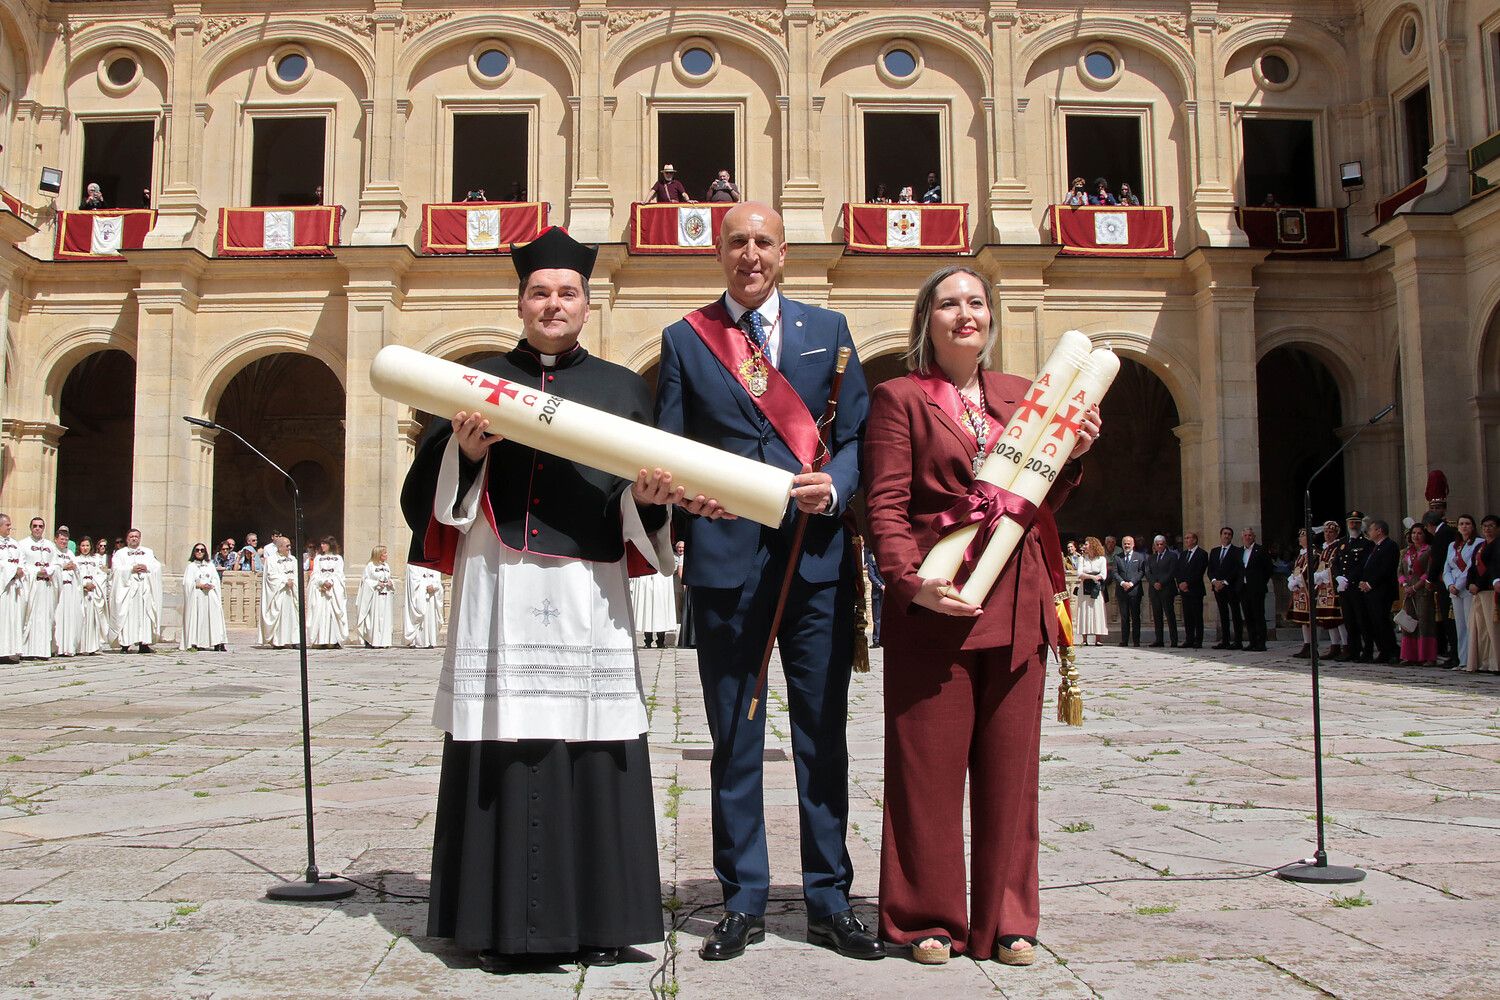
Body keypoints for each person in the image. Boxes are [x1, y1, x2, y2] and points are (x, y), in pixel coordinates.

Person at [401, 225, 673, 970]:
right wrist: (466, 451)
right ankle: (504, 924)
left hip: (589, 588)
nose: (553, 304)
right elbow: (428, 499)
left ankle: (603, 919)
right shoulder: (474, 380)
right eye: (539, 292)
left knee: (595, 734)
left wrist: (650, 502)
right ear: (521, 302)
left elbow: (640, 502)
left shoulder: (624, 390)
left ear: (588, 303)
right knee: (508, 732)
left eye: (567, 293)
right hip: (504, 580)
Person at [654, 201, 876, 962]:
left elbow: (854, 439)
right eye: (736, 243)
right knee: (734, 738)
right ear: (720, 254)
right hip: (725, 564)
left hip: (814, 561)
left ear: (784, 253)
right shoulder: (686, 340)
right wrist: (683, 495)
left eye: (763, 243)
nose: (750, 255)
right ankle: (742, 899)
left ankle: (828, 898)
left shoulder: (829, 331)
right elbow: (674, 443)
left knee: (822, 736)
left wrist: (836, 488)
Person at [864, 264, 1098, 966]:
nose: (965, 314)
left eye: (976, 302)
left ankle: (1008, 921)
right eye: (948, 303)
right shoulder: (899, 398)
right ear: (925, 320)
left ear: (991, 317)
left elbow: (1041, 501)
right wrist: (907, 583)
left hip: (1018, 599)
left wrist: (1075, 452)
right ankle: (925, 918)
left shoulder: (1024, 396)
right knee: (925, 773)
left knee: (1010, 774)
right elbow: (884, 503)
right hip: (937, 602)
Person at [1289, 527, 1339, 658]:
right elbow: (1296, 568)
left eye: (1303, 536)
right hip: (1301, 589)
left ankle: (1318, 645)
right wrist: (1292, 580)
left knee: (1320, 618)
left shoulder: (1314, 553)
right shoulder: (1302, 553)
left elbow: (1308, 570)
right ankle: (1307, 645)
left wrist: (1298, 581)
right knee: (1304, 620)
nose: (1300, 538)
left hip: (1311, 589)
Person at [111, 529, 161, 653]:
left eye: (136, 536)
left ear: (140, 538)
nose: (134, 539)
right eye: (132, 536)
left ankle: (144, 644)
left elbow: (156, 566)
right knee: (128, 616)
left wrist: (147, 567)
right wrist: (130, 569)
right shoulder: (120, 553)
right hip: (128, 590)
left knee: (144, 615)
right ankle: (125, 644)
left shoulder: (148, 552)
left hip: (144, 589)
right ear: (127, 539)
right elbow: (116, 569)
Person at [1331, 511, 1372, 661]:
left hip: (1356, 587)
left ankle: (1367, 651)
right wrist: (1338, 577)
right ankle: (1352, 650)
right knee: (1349, 620)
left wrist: (1349, 579)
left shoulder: (1366, 543)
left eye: (1356, 522)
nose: (1354, 525)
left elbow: (1363, 565)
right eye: (1351, 522)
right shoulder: (1342, 543)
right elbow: (1336, 562)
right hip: (1344, 588)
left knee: (1362, 620)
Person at [1359, 519, 1400, 664]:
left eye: (1371, 530)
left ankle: (1393, 651)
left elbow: (1386, 569)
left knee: (1383, 621)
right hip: (1371, 591)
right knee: (1374, 622)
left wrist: (1370, 583)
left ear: (1379, 531)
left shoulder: (1390, 546)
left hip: (1382, 590)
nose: (1368, 533)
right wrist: (1363, 582)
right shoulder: (1375, 547)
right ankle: (1383, 650)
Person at [1443, 515, 1481, 670]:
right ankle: (1463, 660)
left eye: (1467, 524)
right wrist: (1450, 584)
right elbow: (1447, 568)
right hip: (1454, 589)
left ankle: (1472, 661)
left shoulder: (1478, 543)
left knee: (1470, 623)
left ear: (1472, 526)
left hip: (1467, 588)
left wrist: (1458, 585)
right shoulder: (1453, 545)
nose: (1464, 526)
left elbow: (1471, 567)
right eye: (1461, 524)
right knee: (1460, 626)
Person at [1397, 524, 1437, 667]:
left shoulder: (1429, 551)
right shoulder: (1406, 552)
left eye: (1419, 533)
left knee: (1424, 622)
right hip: (1408, 592)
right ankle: (1410, 655)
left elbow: (1428, 572)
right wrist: (1405, 585)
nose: (1416, 536)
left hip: (1422, 591)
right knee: (1408, 622)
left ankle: (1428, 656)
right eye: (1413, 533)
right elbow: (1400, 571)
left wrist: (1415, 587)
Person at [1465, 514, 1499, 673]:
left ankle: (1495, 662)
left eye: (1491, 526)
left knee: (1493, 629)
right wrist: (1470, 583)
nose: (1488, 529)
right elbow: (1473, 567)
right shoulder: (1480, 547)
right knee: (1481, 630)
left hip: (1490, 591)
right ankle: (1484, 662)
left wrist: (1478, 584)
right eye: (1485, 526)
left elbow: (1493, 567)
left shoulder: (1497, 545)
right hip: (1479, 592)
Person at [21, 516, 60, 659]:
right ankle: (28, 651)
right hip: (32, 585)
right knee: (31, 616)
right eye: (35, 526)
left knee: (46, 617)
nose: (37, 528)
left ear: (44, 528)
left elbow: (56, 564)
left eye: (40, 526)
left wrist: (48, 571)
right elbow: (22, 565)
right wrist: (35, 571)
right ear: (30, 527)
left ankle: (43, 651)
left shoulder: (50, 545)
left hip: (46, 586)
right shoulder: (23, 544)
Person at [182, 543, 228, 652]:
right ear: (194, 552)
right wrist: (199, 585)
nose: (199, 552)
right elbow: (187, 583)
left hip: (210, 594)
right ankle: (197, 642)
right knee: (199, 619)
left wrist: (211, 585)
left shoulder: (210, 565)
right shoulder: (191, 566)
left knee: (214, 618)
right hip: (197, 595)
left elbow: (215, 579)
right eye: (197, 550)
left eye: (202, 550)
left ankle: (217, 642)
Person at [631, 543, 677, 648]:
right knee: (647, 610)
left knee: (661, 611)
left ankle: (660, 640)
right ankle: (648, 640)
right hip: (647, 578)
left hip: (661, 579)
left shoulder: (663, 551)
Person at [305, 537, 347, 648]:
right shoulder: (318, 558)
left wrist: (331, 582)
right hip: (321, 590)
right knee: (320, 612)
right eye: (322, 543)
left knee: (331, 614)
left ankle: (332, 640)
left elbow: (339, 573)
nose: (322, 546)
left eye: (325, 544)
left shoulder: (338, 558)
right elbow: (316, 573)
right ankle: (320, 640)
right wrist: (322, 582)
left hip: (333, 590)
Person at [1208, 526, 1243, 649]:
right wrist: (1214, 582)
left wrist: (1225, 582)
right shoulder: (1215, 551)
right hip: (1217, 588)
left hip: (1231, 587)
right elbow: (1210, 569)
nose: (1226, 536)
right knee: (1223, 614)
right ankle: (1225, 640)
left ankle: (1238, 641)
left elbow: (1237, 569)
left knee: (1235, 613)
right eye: (1224, 533)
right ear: (1221, 535)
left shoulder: (1237, 551)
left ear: (1231, 537)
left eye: (1229, 534)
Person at [261, 536, 299, 648]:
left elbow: (297, 574)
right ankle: (278, 641)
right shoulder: (271, 560)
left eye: (289, 546)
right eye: (287, 546)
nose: (289, 548)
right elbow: (271, 576)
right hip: (279, 593)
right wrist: (284, 581)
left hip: (291, 593)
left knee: (293, 617)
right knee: (280, 617)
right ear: (280, 547)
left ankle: (294, 640)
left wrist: (293, 581)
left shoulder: (293, 559)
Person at [356, 546, 396, 649]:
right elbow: (365, 581)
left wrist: (391, 583)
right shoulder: (370, 566)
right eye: (384, 553)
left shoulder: (386, 566)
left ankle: (384, 641)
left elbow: (389, 578)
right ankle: (373, 640)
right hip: (374, 596)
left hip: (385, 595)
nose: (386, 555)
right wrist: (376, 583)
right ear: (378, 554)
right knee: (375, 617)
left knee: (385, 618)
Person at [75, 537, 110, 656]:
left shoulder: (95, 560)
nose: (85, 548)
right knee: (81, 617)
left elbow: (100, 575)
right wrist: (83, 585)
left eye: (87, 546)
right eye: (83, 545)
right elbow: (74, 576)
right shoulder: (75, 560)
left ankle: (90, 646)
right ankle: (79, 646)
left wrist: (93, 584)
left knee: (91, 620)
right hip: (80, 592)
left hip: (92, 592)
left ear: (91, 547)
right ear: (79, 547)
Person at [1239, 528, 1272, 652]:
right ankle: (1252, 641)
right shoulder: (1240, 551)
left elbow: (1268, 568)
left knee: (1258, 615)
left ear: (1254, 537)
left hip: (1256, 588)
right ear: (1242, 537)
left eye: (1250, 535)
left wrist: (1260, 581)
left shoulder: (1261, 550)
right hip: (1244, 588)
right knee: (1248, 616)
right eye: (1245, 535)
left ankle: (1261, 642)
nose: (1248, 537)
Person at [1175, 531, 1208, 648]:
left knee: (1197, 616)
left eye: (1189, 538)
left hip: (1195, 589)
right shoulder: (1183, 554)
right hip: (1184, 591)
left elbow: (1199, 572)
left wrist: (1187, 583)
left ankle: (1198, 640)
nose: (1186, 540)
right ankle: (1189, 639)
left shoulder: (1202, 554)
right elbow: (1178, 570)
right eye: (1185, 538)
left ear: (1194, 540)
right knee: (1187, 616)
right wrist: (1180, 583)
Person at [1144, 534, 1178, 647]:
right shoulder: (1151, 558)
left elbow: (1172, 571)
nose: (1159, 546)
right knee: (1157, 615)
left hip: (1167, 589)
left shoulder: (1172, 556)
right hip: (1154, 590)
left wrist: (1161, 583)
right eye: (1157, 544)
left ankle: (1174, 640)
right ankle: (1159, 639)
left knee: (1170, 615)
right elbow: (1148, 572)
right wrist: (1154, 583)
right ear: (1154, 545)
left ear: (1165, 544)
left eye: (1161, 544)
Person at [52, 531, 81, 657]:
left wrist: (74, 567)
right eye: (61, 539)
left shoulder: (69, 553)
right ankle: (57, 646)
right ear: (56, 539)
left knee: (69, 616)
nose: (63, 542)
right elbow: (51, 566)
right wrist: (63, 566)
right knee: (58, 616)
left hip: (70, 588)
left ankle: (68, 646)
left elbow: (78, 569)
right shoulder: (52, 551)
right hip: (59, 587)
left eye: (66, 540)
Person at [1075, 537, 1108, 645]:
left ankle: (1098, 639)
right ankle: (1084, 639)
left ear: (1093, 545)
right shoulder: (1082, 559)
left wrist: (1093, 577)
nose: (1084, 546)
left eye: (1086, 544)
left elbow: (1103, 575)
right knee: (1083, 610)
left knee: (1097, 611)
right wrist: (1091, 576)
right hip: (1084, 588)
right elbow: (1079, 574)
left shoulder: (1101, 559)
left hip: (1096, 588)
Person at [0, 515, 24, 663]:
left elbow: (22, 559)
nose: (10, 527)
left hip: (14, 586)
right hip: (3, 586)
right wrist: (13, 570)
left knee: (12, 619)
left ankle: (9, 651)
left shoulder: (15, 544)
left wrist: (20, 569)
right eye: (7, 525)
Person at [405, 565, 445, 648]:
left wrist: (435, 587)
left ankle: (430, 641)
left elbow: (438, 581)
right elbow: (413, 582)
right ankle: (418, 641)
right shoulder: (413, 565)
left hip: (432, 597)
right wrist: (425, 587)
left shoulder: (434, 564)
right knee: (421, 613)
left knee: (430, 617)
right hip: (420, 596)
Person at [675, 540, 696, 649]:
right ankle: (690, 640)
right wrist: (684, 583)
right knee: (690, 611)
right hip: (691, 585)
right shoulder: (685, 556)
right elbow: (680, 569)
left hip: (698, 585)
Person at [864, 540, 885, 648]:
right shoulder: (871, 557)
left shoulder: (887, 556)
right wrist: (881, 586)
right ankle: (877, 640)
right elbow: (871, 575)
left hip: (889, 591)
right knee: (877, 617)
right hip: (878, 591)